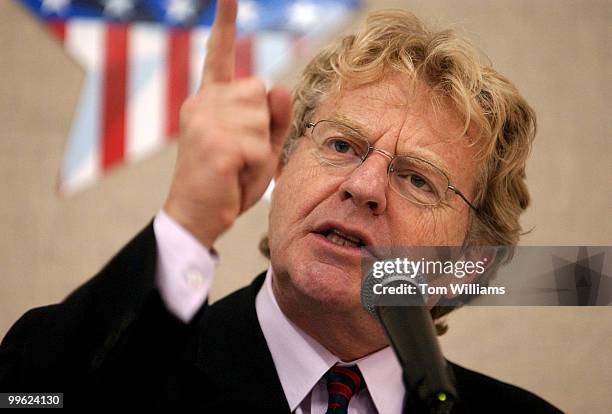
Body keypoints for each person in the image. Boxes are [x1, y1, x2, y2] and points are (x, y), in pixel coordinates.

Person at [0, 0, 562, 412]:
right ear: (285, 163)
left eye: (417, 179)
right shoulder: (134, 377)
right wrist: (186, 226)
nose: (363, 186)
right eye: (341, 145)